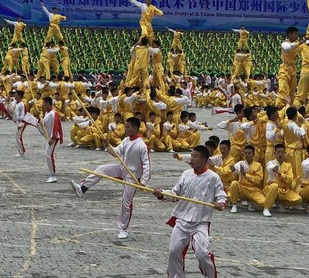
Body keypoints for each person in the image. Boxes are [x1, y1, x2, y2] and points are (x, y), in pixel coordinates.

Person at [71, 116, 151, 239]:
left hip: (132, 176)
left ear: (135, 128)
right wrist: (108, 146)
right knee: (102, 169)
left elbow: (147, 164)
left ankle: (123, 228)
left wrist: (143, 182)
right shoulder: (126, 140)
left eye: (128, 127)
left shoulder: (141, 145)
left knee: (126, 202)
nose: (126, 129)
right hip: (122, 169)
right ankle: (82, 189)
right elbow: (117, 153)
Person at [153, 145, 226, 278]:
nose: (191, 159)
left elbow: (221, 196)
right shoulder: (186, 174)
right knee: (173, 251)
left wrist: (220, 204)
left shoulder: (213, 177)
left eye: (195, 156)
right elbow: (175, 194)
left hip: (201, 222)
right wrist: (161, 194)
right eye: (191, 156)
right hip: (181, 220)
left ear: (204, 159)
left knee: (202, 253)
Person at [229, 145, 271, 216]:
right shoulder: (241, 163)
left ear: (253, 154)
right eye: (246, 153)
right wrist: (232, 169)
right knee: (234, 183)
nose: (247, 155)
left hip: (254, 190)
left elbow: (258, 180)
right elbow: (235, 170)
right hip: (243, 189)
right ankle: (234, 205)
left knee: (264, 202)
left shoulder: (258, 165)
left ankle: (251, 201)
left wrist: (245, 175)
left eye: (249, 153)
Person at [263, 144, 303, 212]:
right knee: (274, 186)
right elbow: (270, 168)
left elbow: (290, 179)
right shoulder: (270, 163)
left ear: (285, 153)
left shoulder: (288, 165)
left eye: (282, 152)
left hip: (284, 190)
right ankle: (266, 208)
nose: (280, 154)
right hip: (272, 189)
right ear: (274, 153)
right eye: (278, 152)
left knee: (298, 199)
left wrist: (281, 175)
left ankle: (280, 203)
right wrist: (274, 169)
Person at [275, 27, 302, 108]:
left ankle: (289, 110)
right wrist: (302, 42)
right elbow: (289, 47)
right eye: (295, 34)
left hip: (293, 71)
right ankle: (278, 107)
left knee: (292, 92)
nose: (297, 36)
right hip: (284, 69)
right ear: (289, 34)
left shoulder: (298, 45)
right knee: (283, 89)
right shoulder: (284, 43)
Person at [41, 96, 64, 183]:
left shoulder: (53, 113)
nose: (43, 104)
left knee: (49, 155)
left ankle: (53, 175)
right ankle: (52, 173)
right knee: (48, 154)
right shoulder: (47, 113)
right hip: (49, 137)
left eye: (44, 103)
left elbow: (55, 126)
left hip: (53, 137)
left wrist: (52, 138)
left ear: (47, 103)